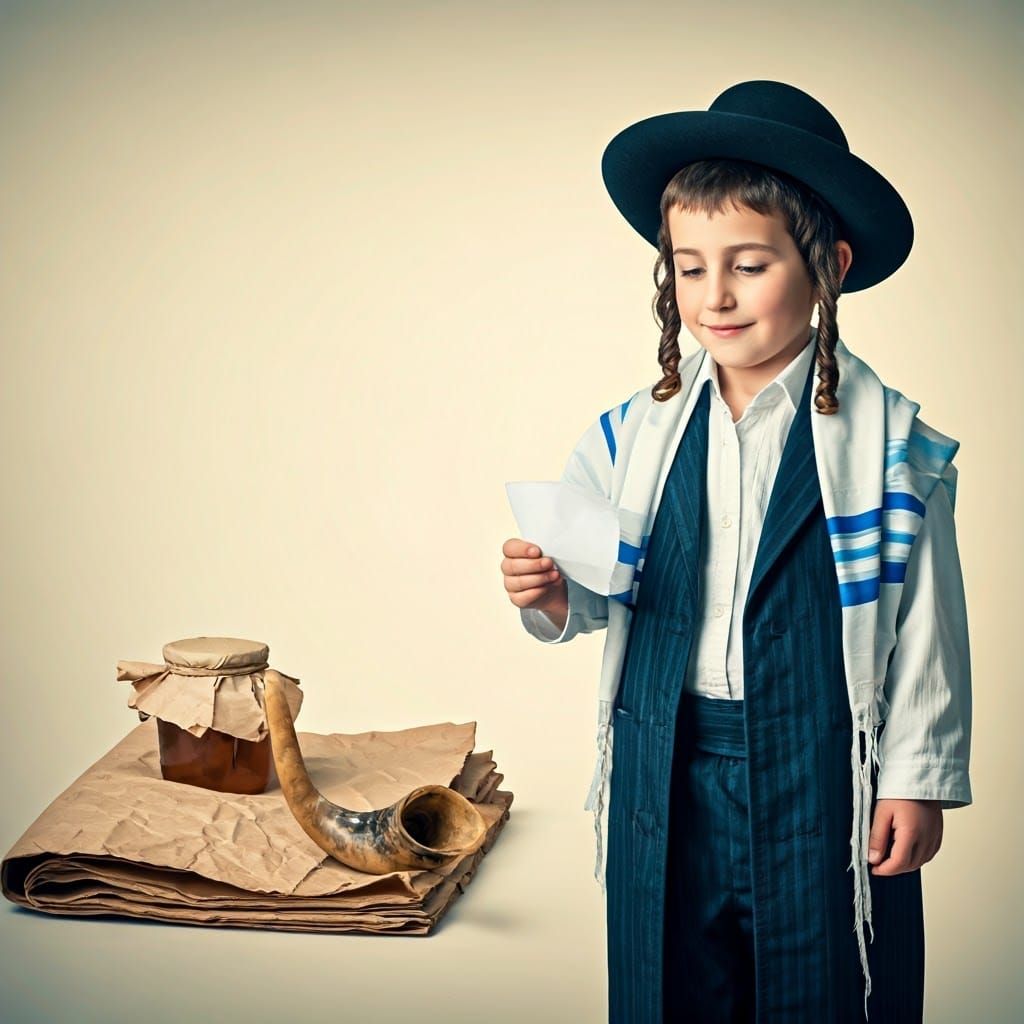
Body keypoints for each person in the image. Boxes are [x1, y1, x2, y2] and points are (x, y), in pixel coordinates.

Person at [500, 80, 972, 1023]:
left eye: (749, 266)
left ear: (827, 268)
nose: (714, 297)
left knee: (826, 979)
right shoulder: (632, 435)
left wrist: (916, 780)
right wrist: (548, 593)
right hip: (668, 753)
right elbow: (597, 593)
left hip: (822, 756)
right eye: (688, 268)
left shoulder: (893, 451)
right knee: (672, 975)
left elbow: (926, 626)